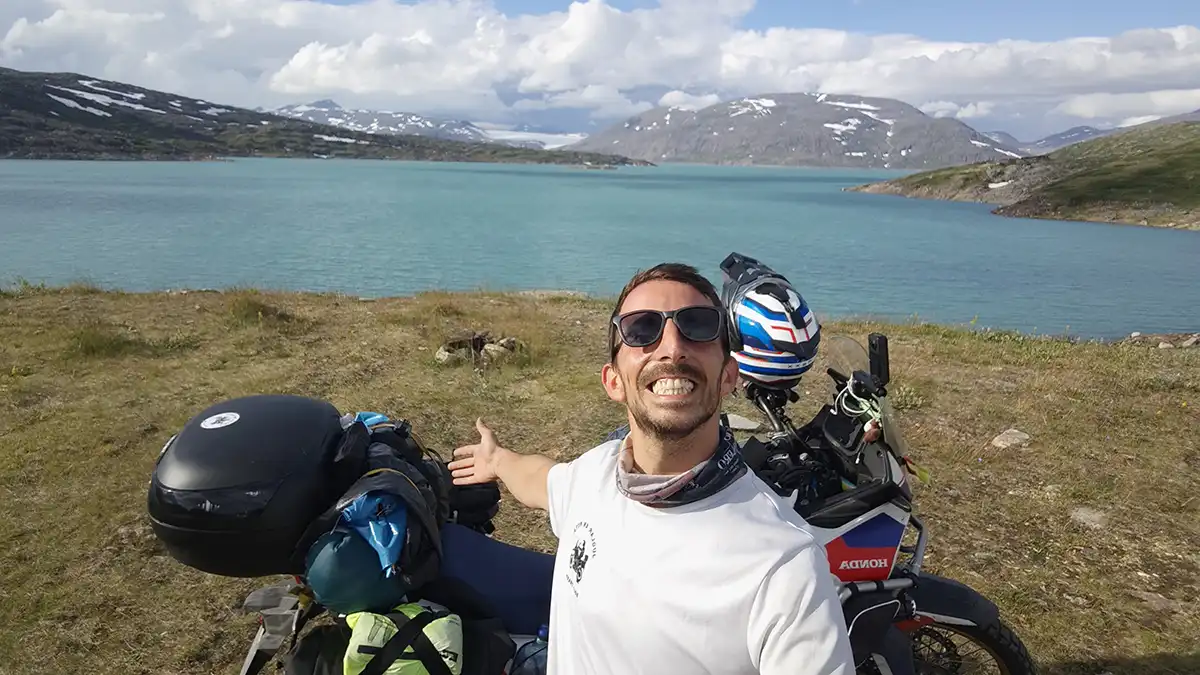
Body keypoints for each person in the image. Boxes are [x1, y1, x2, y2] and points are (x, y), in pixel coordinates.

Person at [448, 262, 855, 675]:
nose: (672, 347)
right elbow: (543, 480)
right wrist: (498, 460)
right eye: (642, 329)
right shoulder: (594, 475)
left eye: (697, 326)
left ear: (728, 374)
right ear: (613, 381)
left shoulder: (785, 565)